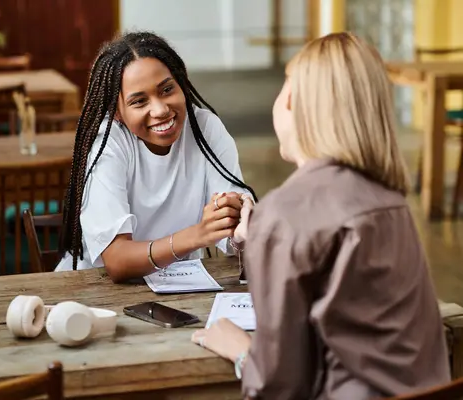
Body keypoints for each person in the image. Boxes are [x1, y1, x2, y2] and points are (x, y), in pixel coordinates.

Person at [191, 32, 450, 399]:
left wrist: (242, 350)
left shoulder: (285, 214)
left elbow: (280, 387)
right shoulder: (390, 201)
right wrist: (259, 239)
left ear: (293, 100)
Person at [55, 31, 256, 282]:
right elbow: (117, 261)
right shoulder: (108, 143)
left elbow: (232, 236)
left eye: (167, 89)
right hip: (95, 293)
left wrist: (235, 225)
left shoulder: (206, 129)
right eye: (139, 102)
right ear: (116, 112)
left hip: (180, 286)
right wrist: (196, 235)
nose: (160, 110)